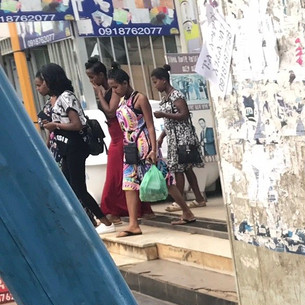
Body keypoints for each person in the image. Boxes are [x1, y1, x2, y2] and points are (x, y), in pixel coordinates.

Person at [106, 67, 196, 236]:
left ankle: (187, 211)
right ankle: (133, 224)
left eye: (116, 87)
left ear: (125, 83)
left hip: (145, 147)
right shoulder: (122, 102)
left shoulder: (140, 99)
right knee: (129, 184)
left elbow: (149, 125)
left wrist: (154, 149)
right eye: (112, 88)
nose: (114, 91)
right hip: (130, 148)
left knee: (164, 180)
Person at [34, 63, 109, 231]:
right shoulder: (52, 101)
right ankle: (90, 220)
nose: (39, 88)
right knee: (69, 186)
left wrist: (56, 125)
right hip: (64, 147)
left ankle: (104, 220)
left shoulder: (66, 97)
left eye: (41, 83)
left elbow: (77, 124)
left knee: (78, 187)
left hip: (75, 145)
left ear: (50, 80)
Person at [85, 59, 153, 230]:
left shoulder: (118, 92)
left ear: (102, 75)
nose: (91, 81)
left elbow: (110, 111)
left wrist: (99, 93)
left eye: (92, 76)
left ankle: (115, 211)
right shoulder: (117, 92)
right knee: (126, 179)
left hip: (126, 139)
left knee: (118, 176)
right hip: (121, 136)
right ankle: (131, 218)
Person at [150, 64, 207, 220]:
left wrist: (164, 114)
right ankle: (199, 198)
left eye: (155, 82)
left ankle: (179, 201)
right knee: (187, 169)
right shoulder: (166, 98)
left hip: (183, 137)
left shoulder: (176, 95)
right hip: (174, 136)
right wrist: (162, 136)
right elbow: (170, 123)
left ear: (163, 80)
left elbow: (184, 115)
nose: (155, 86)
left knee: (178, 168)